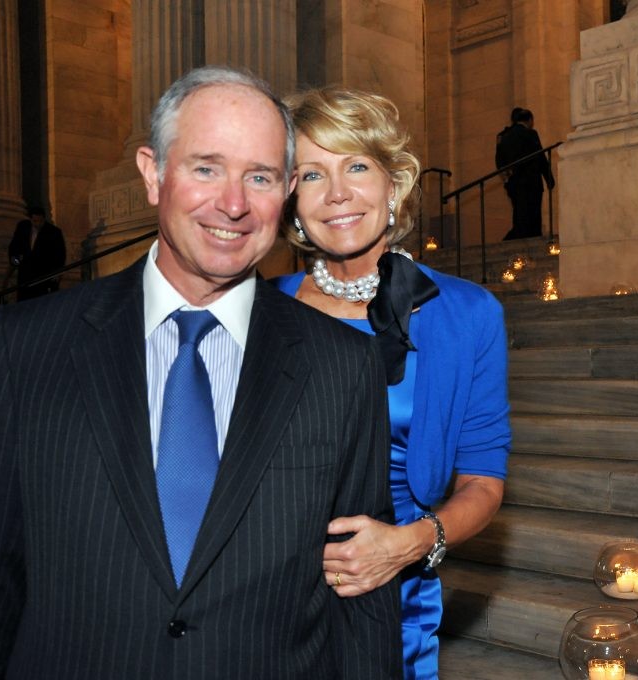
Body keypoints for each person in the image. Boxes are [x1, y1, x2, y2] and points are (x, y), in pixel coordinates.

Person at [0, 66, 401, 679]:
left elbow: (362, 598)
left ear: (285, 192)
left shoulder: (344, 365)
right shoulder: (27, 346)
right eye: (206, 168)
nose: (234, 203)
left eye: (260, 176)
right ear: (153, 173)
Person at [272, 86, 511, 680]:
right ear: (291, 200)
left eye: (356, 166)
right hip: (263, 592)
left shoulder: (467, 313)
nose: (337, 193)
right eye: (312, 174)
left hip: (396, 590)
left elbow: (483, 479)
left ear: (393, 184)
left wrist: (409, 544)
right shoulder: (256, 313)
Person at [496, 107, 555, 240]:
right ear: (529, 120)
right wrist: (549, 179)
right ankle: (529, 240)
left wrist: (506, 179)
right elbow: (540, 156)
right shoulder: (530, 133)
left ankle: (516, 240)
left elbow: (499, 161)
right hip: (531, 181)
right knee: (533, 215)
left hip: (513, 182)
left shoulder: (503, 136)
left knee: (519, 214)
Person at [6, 206, 66, 300]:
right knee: (24, 301)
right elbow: (14, 247)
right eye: (35, 221)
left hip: (43, 275)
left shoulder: (54, 232)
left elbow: (60, 255)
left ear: (44, 219)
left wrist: (57, 272)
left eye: (41, 221)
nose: (38, 224)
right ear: (30, 219)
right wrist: (16, 262)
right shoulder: (23, 227)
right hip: (25, 275)